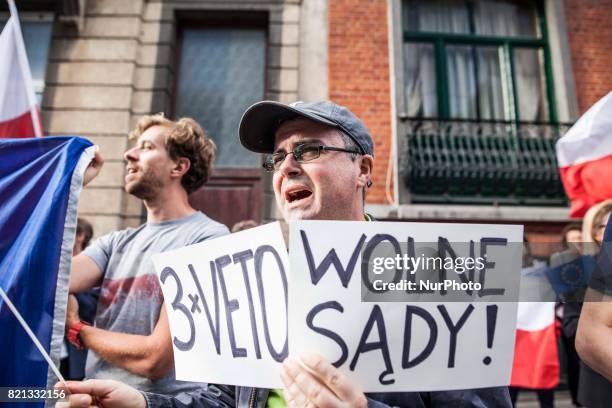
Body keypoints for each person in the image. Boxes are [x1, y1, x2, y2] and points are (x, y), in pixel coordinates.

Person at [59, 101, 511, 407]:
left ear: (363, 170)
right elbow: (218, 400)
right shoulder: (251, 277)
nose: (287, 166)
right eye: (277, 158)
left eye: (309, 149)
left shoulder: (439, 273)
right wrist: (141, 403)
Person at [65, 114, 229, 395]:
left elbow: (155, 359)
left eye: (147, 147)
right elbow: (48, 277)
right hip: (93, 399)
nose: (130, 154)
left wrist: (78, 329)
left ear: (179, 166)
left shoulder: (208, 239)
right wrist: (71, 187)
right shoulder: (116, 242)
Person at [574, 200, 612, 408]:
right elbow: (573, 322)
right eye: (605, 227)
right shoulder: (575, 267)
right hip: (596, 370)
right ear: (597, 232)